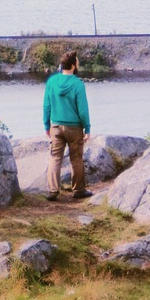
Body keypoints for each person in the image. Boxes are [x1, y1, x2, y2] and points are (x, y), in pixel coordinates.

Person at [42, 50, 92, 201]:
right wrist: (87, 128)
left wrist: (46, 125)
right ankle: (78, 190)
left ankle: (52, 191)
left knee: (55, 158)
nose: (78, 64)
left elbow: (46, 105)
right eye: (77, 62)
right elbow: (83, 110)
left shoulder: (51, 82)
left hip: (56, 126)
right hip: (74, 128)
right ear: (72, 66)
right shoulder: (77, 84)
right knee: (76, 159)